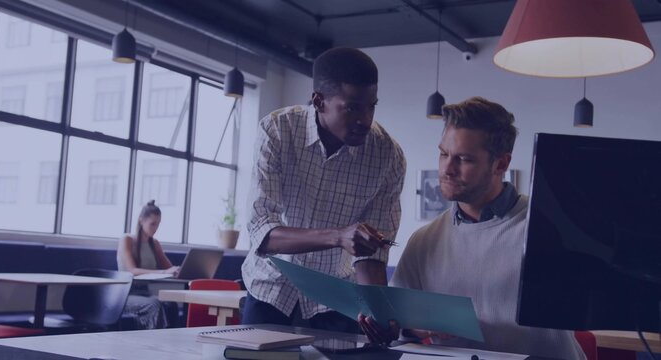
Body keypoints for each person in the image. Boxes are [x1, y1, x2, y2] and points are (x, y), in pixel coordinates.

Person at [358, 97, 585, 360]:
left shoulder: (550, 230)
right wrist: (409, 326)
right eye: (444, 154)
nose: (447, 169)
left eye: (463, 159)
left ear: (501, 164)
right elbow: (402, 325)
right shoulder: (424, 241)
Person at [241, 47, 406, 333]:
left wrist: (379, 311)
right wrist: (339, 236)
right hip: (270, 289)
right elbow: (262, 233)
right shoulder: (277, 130)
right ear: (319, 101)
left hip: (335, 299)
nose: (365, 120)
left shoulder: (387, 156)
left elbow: (372, 255)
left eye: (371, 106)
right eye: (353, 107)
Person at [117, 200, 179, 329]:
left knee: (170, 304)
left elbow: (169, 268)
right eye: (152, 224)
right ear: (141, 221)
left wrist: (177, 270)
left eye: (158, 224)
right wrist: (163, 272)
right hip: (125, 294)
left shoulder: (154, 243)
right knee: (154, 304)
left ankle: (172, 343)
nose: (155, 228)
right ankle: (154, 345)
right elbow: (132, 270)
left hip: (144, 293)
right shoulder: (126, 240)